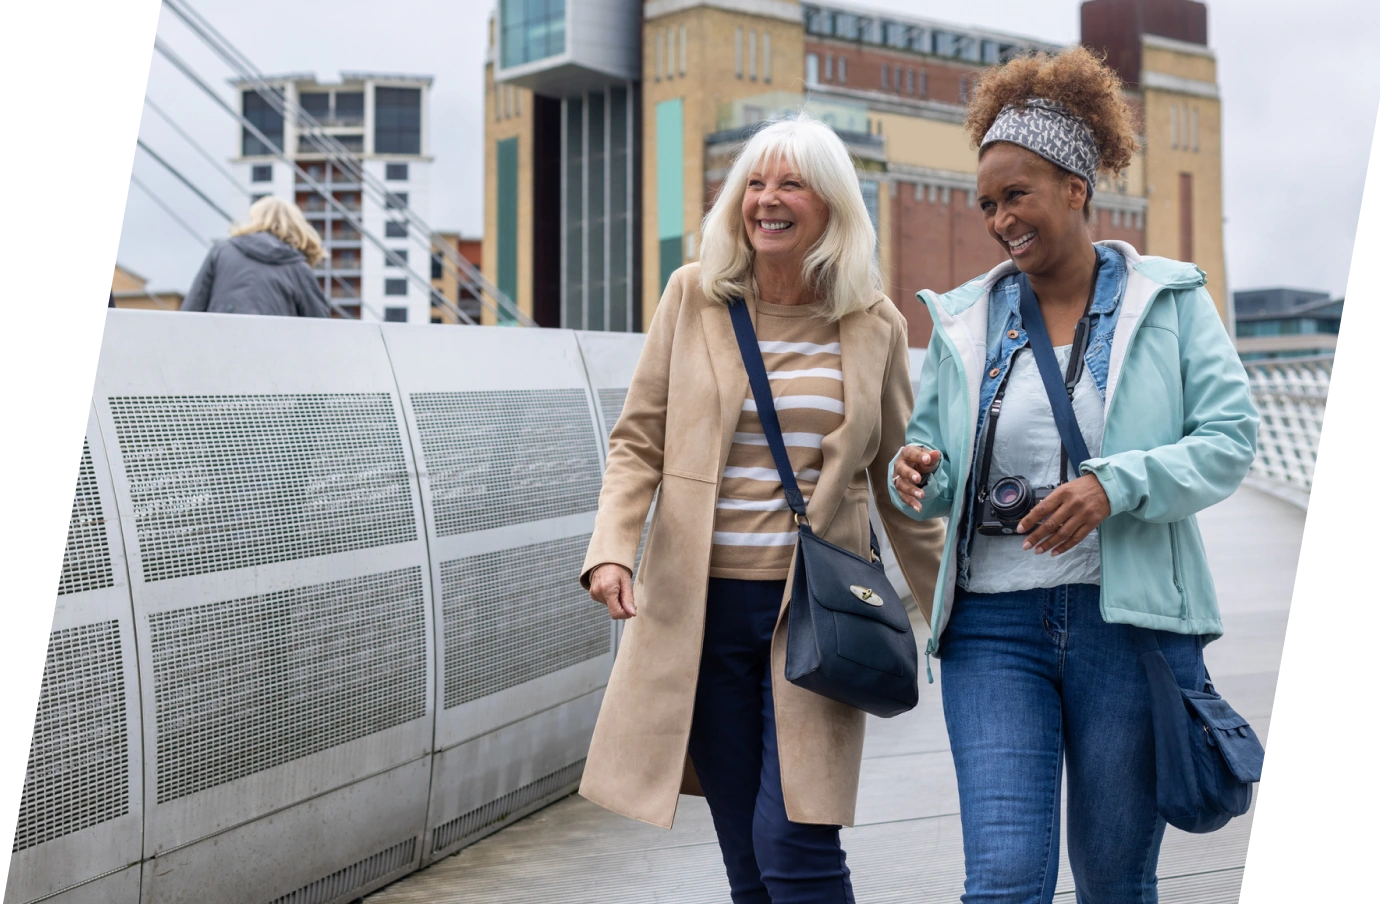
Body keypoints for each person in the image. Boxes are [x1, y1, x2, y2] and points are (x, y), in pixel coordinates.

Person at [888, 47, 1258, 903]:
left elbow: (1231, 437)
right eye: (986, 204)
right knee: (1007, 877)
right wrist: (923, 472)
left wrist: (1113, 484)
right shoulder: (965, 319)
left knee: (1113, 880)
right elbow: (934, 461)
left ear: (1076, 189)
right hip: (991, 630)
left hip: (1125, 628)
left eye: (1017, 195)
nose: (998, 219)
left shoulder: (1168, 303)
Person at [579, 114, 945, 903]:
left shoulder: (873, 321)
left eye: (791, 184)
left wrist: (953, 603)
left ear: (833, 206)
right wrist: (610, 547)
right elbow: (638, 440)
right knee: (747, 855)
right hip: (699, 615)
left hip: (817, 615)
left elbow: (898, 478)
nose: (767, 201)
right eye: (755, 183)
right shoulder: (694, 297)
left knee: (795, 846)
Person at [181, 196, 333, 317]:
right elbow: (320, 328)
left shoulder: (221, 251)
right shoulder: (298, 268)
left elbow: (191, 311)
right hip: (274, 352)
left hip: (222, 349)